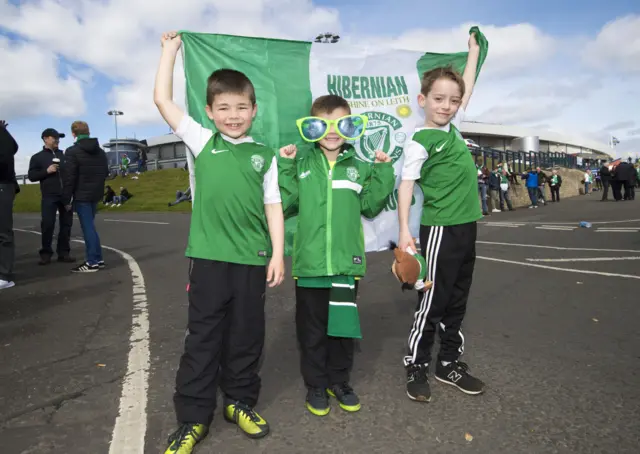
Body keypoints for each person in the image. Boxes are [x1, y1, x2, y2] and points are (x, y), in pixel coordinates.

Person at [154, 31, 285, 453]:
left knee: (247, 336)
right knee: (204, 338)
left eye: (241, 108)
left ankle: (240, 402)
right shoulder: (201, 141)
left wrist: (278, 253)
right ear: (210, 112)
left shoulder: (263, 154)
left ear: (254, 110)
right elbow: (162, 100)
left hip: (252, 261)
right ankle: (193, 418)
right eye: (224, 108)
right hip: (209, 260)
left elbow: (273, 206)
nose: (233, 115)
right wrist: (170, 52)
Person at [278, 95, 395, 416]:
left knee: (341, 329)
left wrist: (384, 172)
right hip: (311, 265)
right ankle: (316, 384)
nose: (332, 132)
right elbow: (286, 204)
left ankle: (339, 381)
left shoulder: (359, 166)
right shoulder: (301, 163)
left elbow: (371, 206)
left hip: (345, 265)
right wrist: (286, 167)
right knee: (311, 331)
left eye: (341, 124)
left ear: (350, 127)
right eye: (323, 124)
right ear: (312, 127)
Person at [397, 32, 485, 403]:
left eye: (453, 100)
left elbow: (468, 86)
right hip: (439, 231)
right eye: (438, 99)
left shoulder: (453, 127)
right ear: (423, 100)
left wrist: (474, 52)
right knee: (432, 301)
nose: (447, 106)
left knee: (457, 300)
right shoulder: (421, 139)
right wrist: (405, 232)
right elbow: (406, 185)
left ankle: (448, 361)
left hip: (467, 228)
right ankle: (416, 364)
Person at [62, 121, 109, 273]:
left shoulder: (72, 151)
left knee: (88, 228)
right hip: (95, 193)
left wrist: (66, 198)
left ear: (73, 134)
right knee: (91, 227)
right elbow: (105, 172)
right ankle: (98, 258)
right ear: (88, 132)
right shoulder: (100, 152)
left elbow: (70, 177)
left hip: (81, 194)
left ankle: (92, 262)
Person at [28, 128, 74, 265]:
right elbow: (31, 176)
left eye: (58, 138)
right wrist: (47, 171)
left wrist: (71, 193)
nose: (57, 140)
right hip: (49, 196)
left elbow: (71, 175)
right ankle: (46, 253)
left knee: (66, 225)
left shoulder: (65, 156)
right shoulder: (37, 157)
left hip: (66, 195)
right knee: (48, 224)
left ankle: (64, 253)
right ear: (45, 139)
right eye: (54, 137)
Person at [0, 120, 18, 290]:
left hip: (3, 185)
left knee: (3, 231)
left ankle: (5, 276)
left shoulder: (3, 135)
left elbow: (9, 151)